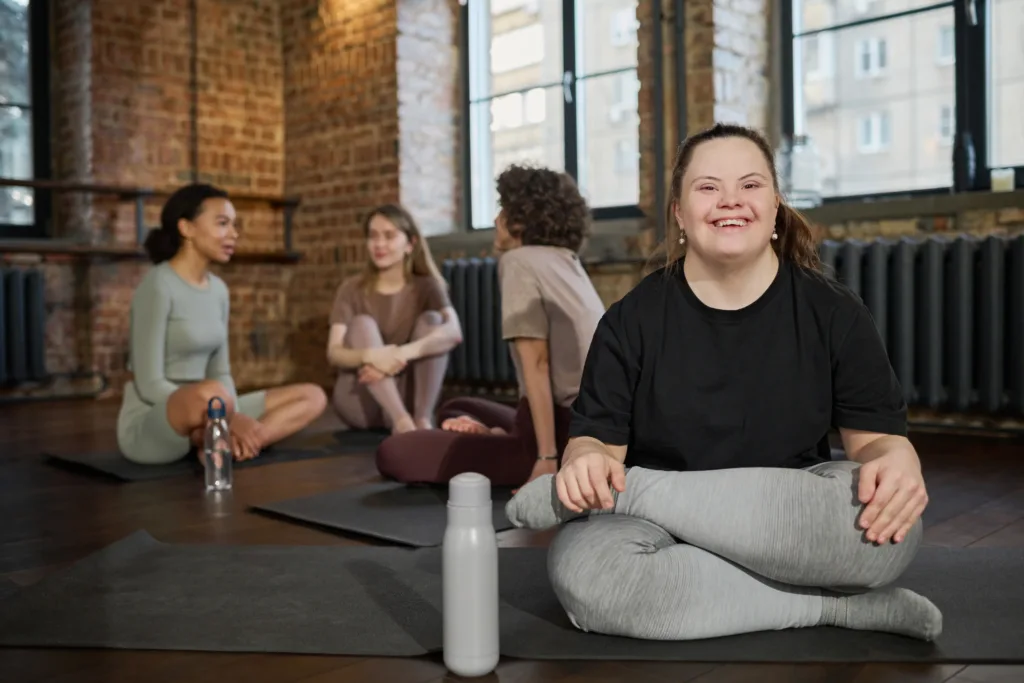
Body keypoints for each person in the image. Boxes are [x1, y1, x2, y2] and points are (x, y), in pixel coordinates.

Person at [505, 123, 942, 643]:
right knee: (590, 576)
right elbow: (597, 441)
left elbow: (875, 441)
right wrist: (584, 460)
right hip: (659, 530)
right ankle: (831, 607)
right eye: (708, 187)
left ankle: (640, 501)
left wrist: (898, 460)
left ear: (776, 206)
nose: (730, 201)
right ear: (680, 213)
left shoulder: (835, 312)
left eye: (751, 185)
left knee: (895, 532)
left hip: (788, 521)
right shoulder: (630, 321)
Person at [375, 164, 606, 487]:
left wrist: (546, 459)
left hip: (565, 435)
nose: (496, 219)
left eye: (503, 209)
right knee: (456, 407)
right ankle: (501, 436)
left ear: (521, 220)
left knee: (394, 452)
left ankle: (520, 446)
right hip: (584, 421)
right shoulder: (565, 259)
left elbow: (537, 364)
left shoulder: (518, 262)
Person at [118, 183, 327, 466]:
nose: (234, 234)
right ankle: (219, 434)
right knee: (211, 393)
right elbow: (149, 383)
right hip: (157, 415)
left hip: (215, 407)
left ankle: (237, 441)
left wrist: (231, 414)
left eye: (234, 225)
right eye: (222, 223)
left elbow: (222, 372)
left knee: (313, 396)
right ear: (187, 228)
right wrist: (228, 414)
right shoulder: (157, 285)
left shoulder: (219, 290)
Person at [326, 204, 462, 434]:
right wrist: (372, 356)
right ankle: (401, 422)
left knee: (433, 321)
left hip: (408, 392)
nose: (379, 244)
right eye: (373, 236)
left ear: (410, 244)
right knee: (362, 324)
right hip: (362, 397)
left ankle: (421, 420)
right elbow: (334, 352)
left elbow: (453, 332)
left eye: (389, 236)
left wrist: (400, 354)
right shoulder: (351, 289)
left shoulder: (427, 286)